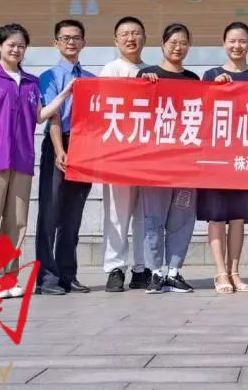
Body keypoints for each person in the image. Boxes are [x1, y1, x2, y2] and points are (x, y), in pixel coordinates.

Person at [0, 23, 71, 298]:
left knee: (16, 222)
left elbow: (40, 116)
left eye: (21, 46)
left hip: (22, 157)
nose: (16, 50)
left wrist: (65, 94)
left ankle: (9, 277)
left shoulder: (30, 82)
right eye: (11, 45)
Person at [199, 21, 248, 295]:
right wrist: (214, 89)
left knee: (239, 217)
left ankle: (235, 272)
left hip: (246, 157)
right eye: (232, 41)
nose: (237, 46)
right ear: (223, 43)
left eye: (242, 41)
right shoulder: (211, 75)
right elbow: (201, 113)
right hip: (217, 157)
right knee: (217, 216)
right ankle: (220, 273)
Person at [34, 20, 95, 296]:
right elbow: (53, 115)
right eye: (65, 37)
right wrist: (60, 149)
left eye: (76, 37)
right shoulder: (49, 77)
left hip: (85, 147)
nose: (71, 42)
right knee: (50, 212)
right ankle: (47, 277)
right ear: (56, 42)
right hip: (59, 142)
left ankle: (68, 274)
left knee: (73, 215)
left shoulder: (92, 79)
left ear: (84, 42)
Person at [138, 23, 200, 294]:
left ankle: (174, 271)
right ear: (162, 44)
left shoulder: (193, 80)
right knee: (154, 217)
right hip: (156, 164)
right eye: (173, 42)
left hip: (186, 163)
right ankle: (154, 271)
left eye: (183, 42)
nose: (178, 47)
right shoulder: (147, 75)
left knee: (182, 218)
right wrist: (143, 86)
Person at [99, 16, 151, 292]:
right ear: (116, 40)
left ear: (145, 38)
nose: (131, 38)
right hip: (119, 154)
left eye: (136, 33)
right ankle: (115, 268)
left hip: (148, 154)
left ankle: (142, 268)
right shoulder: (110, 70)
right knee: (117, 214)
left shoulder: (153, 71)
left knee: (145, 213)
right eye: (125, 34)